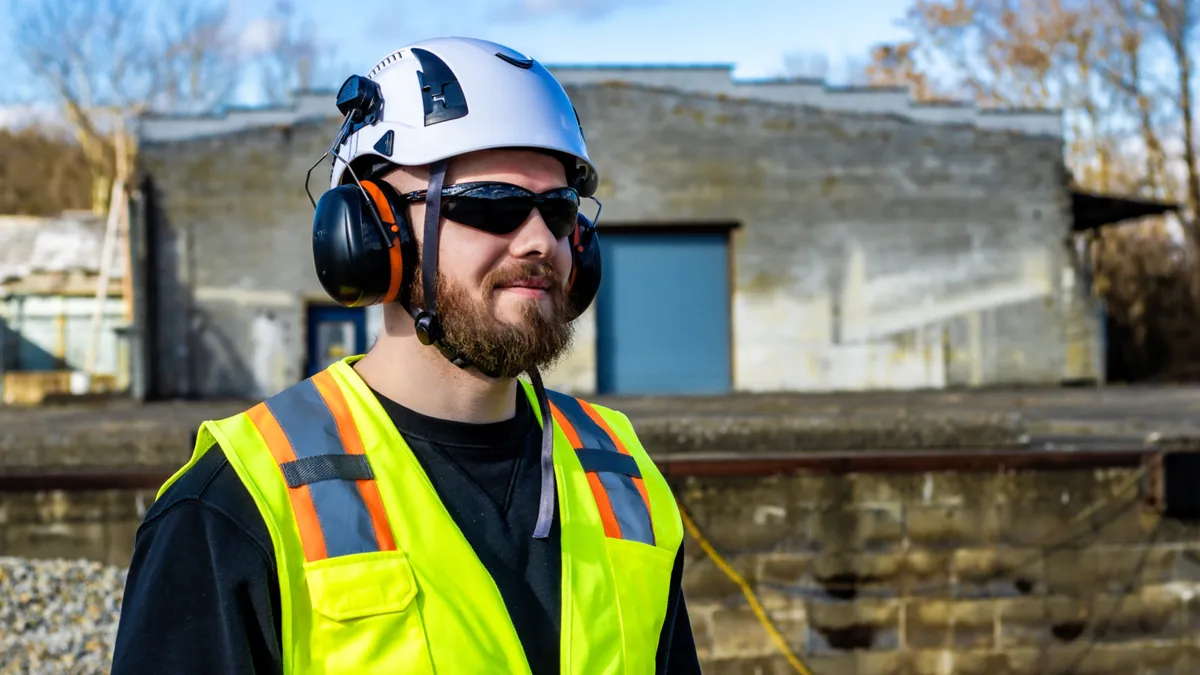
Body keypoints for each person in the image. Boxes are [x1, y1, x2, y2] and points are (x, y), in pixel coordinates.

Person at [111, 36, 701, 674]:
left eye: (558, 212)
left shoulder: (622, 474)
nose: (539, 241)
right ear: (372, 233)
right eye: (492, 205)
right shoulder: (237, 506)